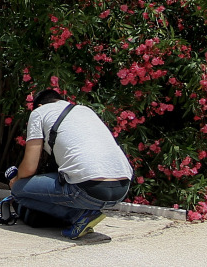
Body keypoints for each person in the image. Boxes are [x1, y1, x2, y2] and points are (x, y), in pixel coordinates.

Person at [8, 89, 133, 238]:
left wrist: (15, 180)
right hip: (122, 189)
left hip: (89, 190)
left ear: (40, 105)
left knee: (18, 189)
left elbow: (29, 167)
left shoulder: (39, 112)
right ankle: (84, 214)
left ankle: (79, 215)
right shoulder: (85, 110)